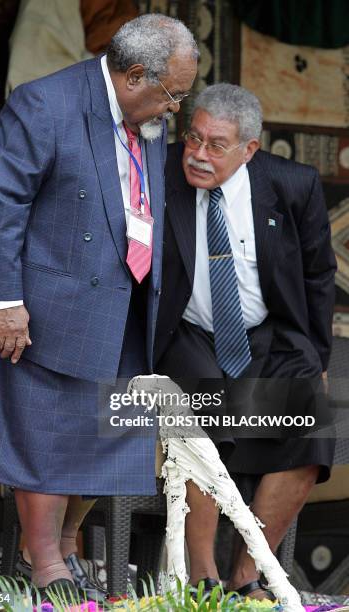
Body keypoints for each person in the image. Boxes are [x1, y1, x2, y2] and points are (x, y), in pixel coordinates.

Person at [0, 14, 198, 602]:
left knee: (108, 429)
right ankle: (46, 565)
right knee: (48, 428)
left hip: (125, 296)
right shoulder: (45, 104)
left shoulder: (149, 119)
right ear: (135, 75)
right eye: (173, 94)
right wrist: (5, 302)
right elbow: (3, 203)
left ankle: (67, 540)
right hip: (44, 304)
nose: (175, 109)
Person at [154, 83, 336, 599]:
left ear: (249, 149)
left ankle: (247, 575)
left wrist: (317, 356)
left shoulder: (292, 184)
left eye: (216, 145)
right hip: (187, 331)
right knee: (204, 411)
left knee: (312, 422)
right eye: (193, 138)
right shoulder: (158, 170)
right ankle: (204, 579)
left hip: (267, 333)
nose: (198, 154)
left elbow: (320, 275)